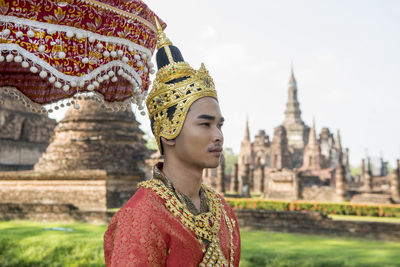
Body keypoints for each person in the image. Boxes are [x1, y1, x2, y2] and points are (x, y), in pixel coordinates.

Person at [104, 18, 241, 267]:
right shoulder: (141, 216)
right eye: (205, 124)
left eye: (219, 125)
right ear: (168, 131)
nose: (218, 135)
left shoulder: (223, 212)